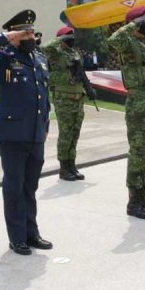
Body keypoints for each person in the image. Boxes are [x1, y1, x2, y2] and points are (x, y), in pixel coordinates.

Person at [0, 9, 53, 255]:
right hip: (12, 134)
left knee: (30, 187)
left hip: (36, 133)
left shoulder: (38, 58)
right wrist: (4, 38)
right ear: (15, 34)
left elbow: (44, 96)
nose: (32, 36)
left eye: (32, 31)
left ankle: (32, 233)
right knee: (14, 187)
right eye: (26, 32)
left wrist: (45, 125)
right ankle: (17, 237)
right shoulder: (3, 57)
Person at [105, 6, 145, 219]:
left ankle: (142, 197)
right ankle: (133, 202)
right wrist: (132, 23)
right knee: (138, 152)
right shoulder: (128, 43)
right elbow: (112, 40)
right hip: (139, 103)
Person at [42, 26, 89, 181]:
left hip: (77, 97)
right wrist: (59, 39)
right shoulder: (55, 53)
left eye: (72, 36)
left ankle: (72, 165)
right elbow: (43, 47)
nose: (72, 39)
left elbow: (81, 73)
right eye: (68, 37)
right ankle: (63, 168)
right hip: (64, 98)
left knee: (75, 133)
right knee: (66, 133)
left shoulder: (74, 53)